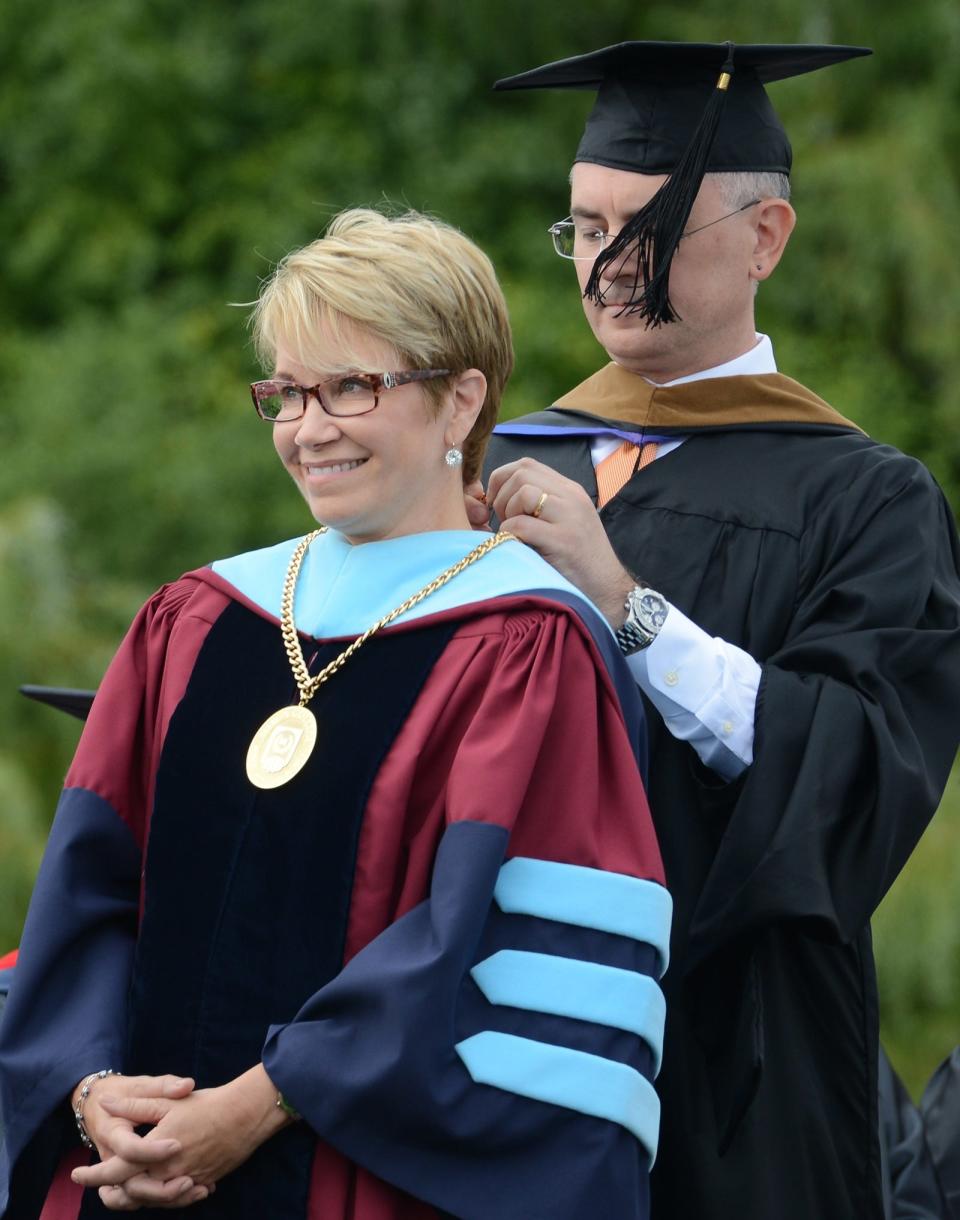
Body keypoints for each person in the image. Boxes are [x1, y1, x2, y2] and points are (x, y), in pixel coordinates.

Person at [0, 208, 670, 1219]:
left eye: (353, 386)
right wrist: (93, 1091)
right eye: (287, 392)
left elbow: (498, 951)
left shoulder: (532, 645)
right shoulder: (196, 619)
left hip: (366, 1181)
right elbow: (90, 895)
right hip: (134, 1177)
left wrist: (264, 1101)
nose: (310, 428)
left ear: (461, 401)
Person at [477, 40, 960, 1220]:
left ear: (766, 239)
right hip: (507, 1019)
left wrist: (627, 605)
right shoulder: (504, 462)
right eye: (586, 229)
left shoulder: (867, 498)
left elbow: (853, 775)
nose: (609, 266)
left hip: (739, 1052)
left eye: (650, 229)